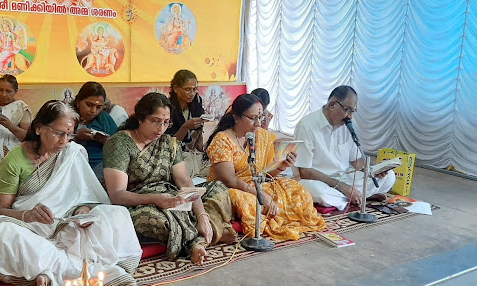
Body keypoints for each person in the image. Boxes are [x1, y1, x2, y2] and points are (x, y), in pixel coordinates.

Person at [0, 100, 142, 286]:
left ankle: (48, 273)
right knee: (3, 233)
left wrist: (84, 209)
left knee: (117, 214)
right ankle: (87, 273)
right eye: (58, 133)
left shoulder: (72, 153)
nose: (65, 141)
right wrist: (27, 214)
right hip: (32, 228)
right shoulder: (15, 160)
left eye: (70, 134)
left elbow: (87, 194)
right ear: (38, 129)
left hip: (69, 225)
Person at [103, 93, 235, 266]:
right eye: (155, 121)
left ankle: (201, 229)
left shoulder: (168, 143)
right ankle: (199, 241)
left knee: (218, 189)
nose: (161, 128)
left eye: (166, 122)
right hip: (138, 202)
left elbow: (185, 182)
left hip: (170, 196)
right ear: (140, 118)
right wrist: (156, 200)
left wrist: (201, 215)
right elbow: (117, 195)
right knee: (156, 219)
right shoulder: (119, 143)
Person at [206, 94, 327, 240]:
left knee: (295, 188)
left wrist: (282, 165)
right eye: (253, 118)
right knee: (248, 201)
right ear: (236, 117)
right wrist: (260, 194)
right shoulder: (222, 140)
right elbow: (230, 181)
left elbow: (265, 175)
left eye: (261, 117)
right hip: (230, 189)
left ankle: (279, 217)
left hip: (256, 184)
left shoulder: (261, 136)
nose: (258, 123)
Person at [293, 86, 396, 210]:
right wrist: (342, 187)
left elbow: (356, 161)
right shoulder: (307, 125)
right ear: (332, 105)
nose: (350, 116)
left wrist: (374, 171)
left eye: (353, 111)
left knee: (389, 177)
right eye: (348, 110)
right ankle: (360, 196)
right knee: (320, 193)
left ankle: (351, 197)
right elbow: (305, 171)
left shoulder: (347, 126)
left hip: (343, 178)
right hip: (318, 180)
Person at [71, 82, 117, 182]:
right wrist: (76, 136)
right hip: (72, 165)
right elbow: (54, 141)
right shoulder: (67, 116)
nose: (93, 111)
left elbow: (118, 144)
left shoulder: (104, 119)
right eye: (89, 105)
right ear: (78, 101)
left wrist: (107, 141)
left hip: (100, 164)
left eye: (98, 107)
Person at [165, 69, 209, 177]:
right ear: (176, 89)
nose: (192, 94)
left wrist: (202, 151)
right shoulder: (168, 107)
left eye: (194, 89)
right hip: (176, 155)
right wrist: (185, 127)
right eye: (188, 89)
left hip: (193, 153)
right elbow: (170, 145)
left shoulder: (196, 101)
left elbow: (199, 132)